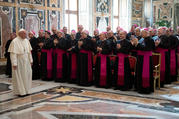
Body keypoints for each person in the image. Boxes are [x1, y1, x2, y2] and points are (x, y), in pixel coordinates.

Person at [8, 29, 33, 97]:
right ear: (20, 34)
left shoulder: (26, 41)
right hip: (19, 61)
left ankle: (27, 90)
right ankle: (20, 91)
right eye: (24, 34)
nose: (26, 35)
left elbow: (29, 52)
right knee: (20, 76)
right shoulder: (15, 41)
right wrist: (14, 63)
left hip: (26, 61)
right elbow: (13, 54)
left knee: (27, 75)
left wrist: (31, 60)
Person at [132, 28, 155, 94]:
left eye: (142, 32)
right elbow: (137, 48)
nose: (141, 34)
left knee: (145, 73)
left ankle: (145, 89)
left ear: (146, 33)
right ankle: (139, 87)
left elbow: (147, 49)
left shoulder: (150, 40)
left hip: (146, 58)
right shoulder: (142, 39)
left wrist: (138, 44)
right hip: (140, 58)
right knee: (139, 72)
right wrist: (135, 44)